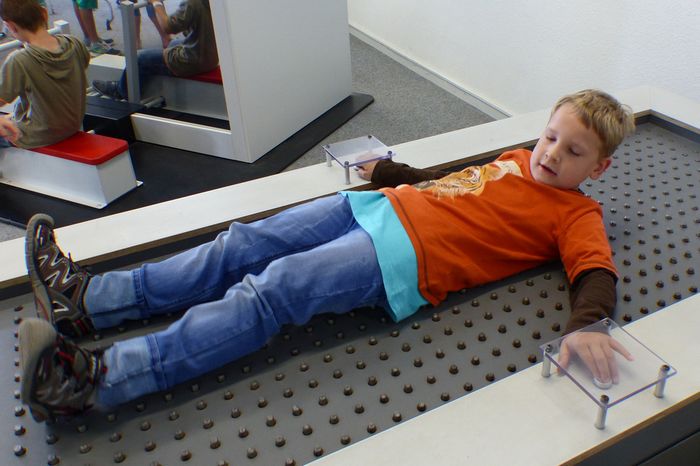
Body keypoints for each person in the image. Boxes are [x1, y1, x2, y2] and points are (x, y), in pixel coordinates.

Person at [19, 89, 635, 423]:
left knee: (271, 289)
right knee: (242, 242)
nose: (551, 154)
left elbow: (595, 272)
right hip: (375, 207)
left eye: (573, 152)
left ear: (599, 168)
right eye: (551, 136)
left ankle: (95, 381)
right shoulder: (517, 158)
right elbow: (453, 183)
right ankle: (89, 300)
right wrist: (390, 173)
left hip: (401, 257)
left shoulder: (576, 215)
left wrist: (589, 326)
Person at [0, 0, 90, 149]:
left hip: (37, 136)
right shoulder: (74, 43)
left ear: (10, 26)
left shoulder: (19, 60)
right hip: (72, 127)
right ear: (44, 13)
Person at [91, 0, 217, 101]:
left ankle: (122, 91)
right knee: (172, 44)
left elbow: (168, 27)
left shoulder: (193, 3)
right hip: (212, 55)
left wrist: (157, 4)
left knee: (139, 58)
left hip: (195, 60)